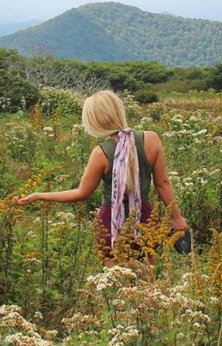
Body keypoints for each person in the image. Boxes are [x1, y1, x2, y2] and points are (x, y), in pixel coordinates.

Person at [16, 90, 187, 262]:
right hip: (146, 220)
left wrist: (38, 196)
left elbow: (81, 193)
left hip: (111, 225)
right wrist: (177, 218)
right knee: (148, 282)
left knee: (116, 282)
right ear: (119, 110)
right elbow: (162, 184)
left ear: (94, 121)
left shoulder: (100, 153)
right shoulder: (151, 139)